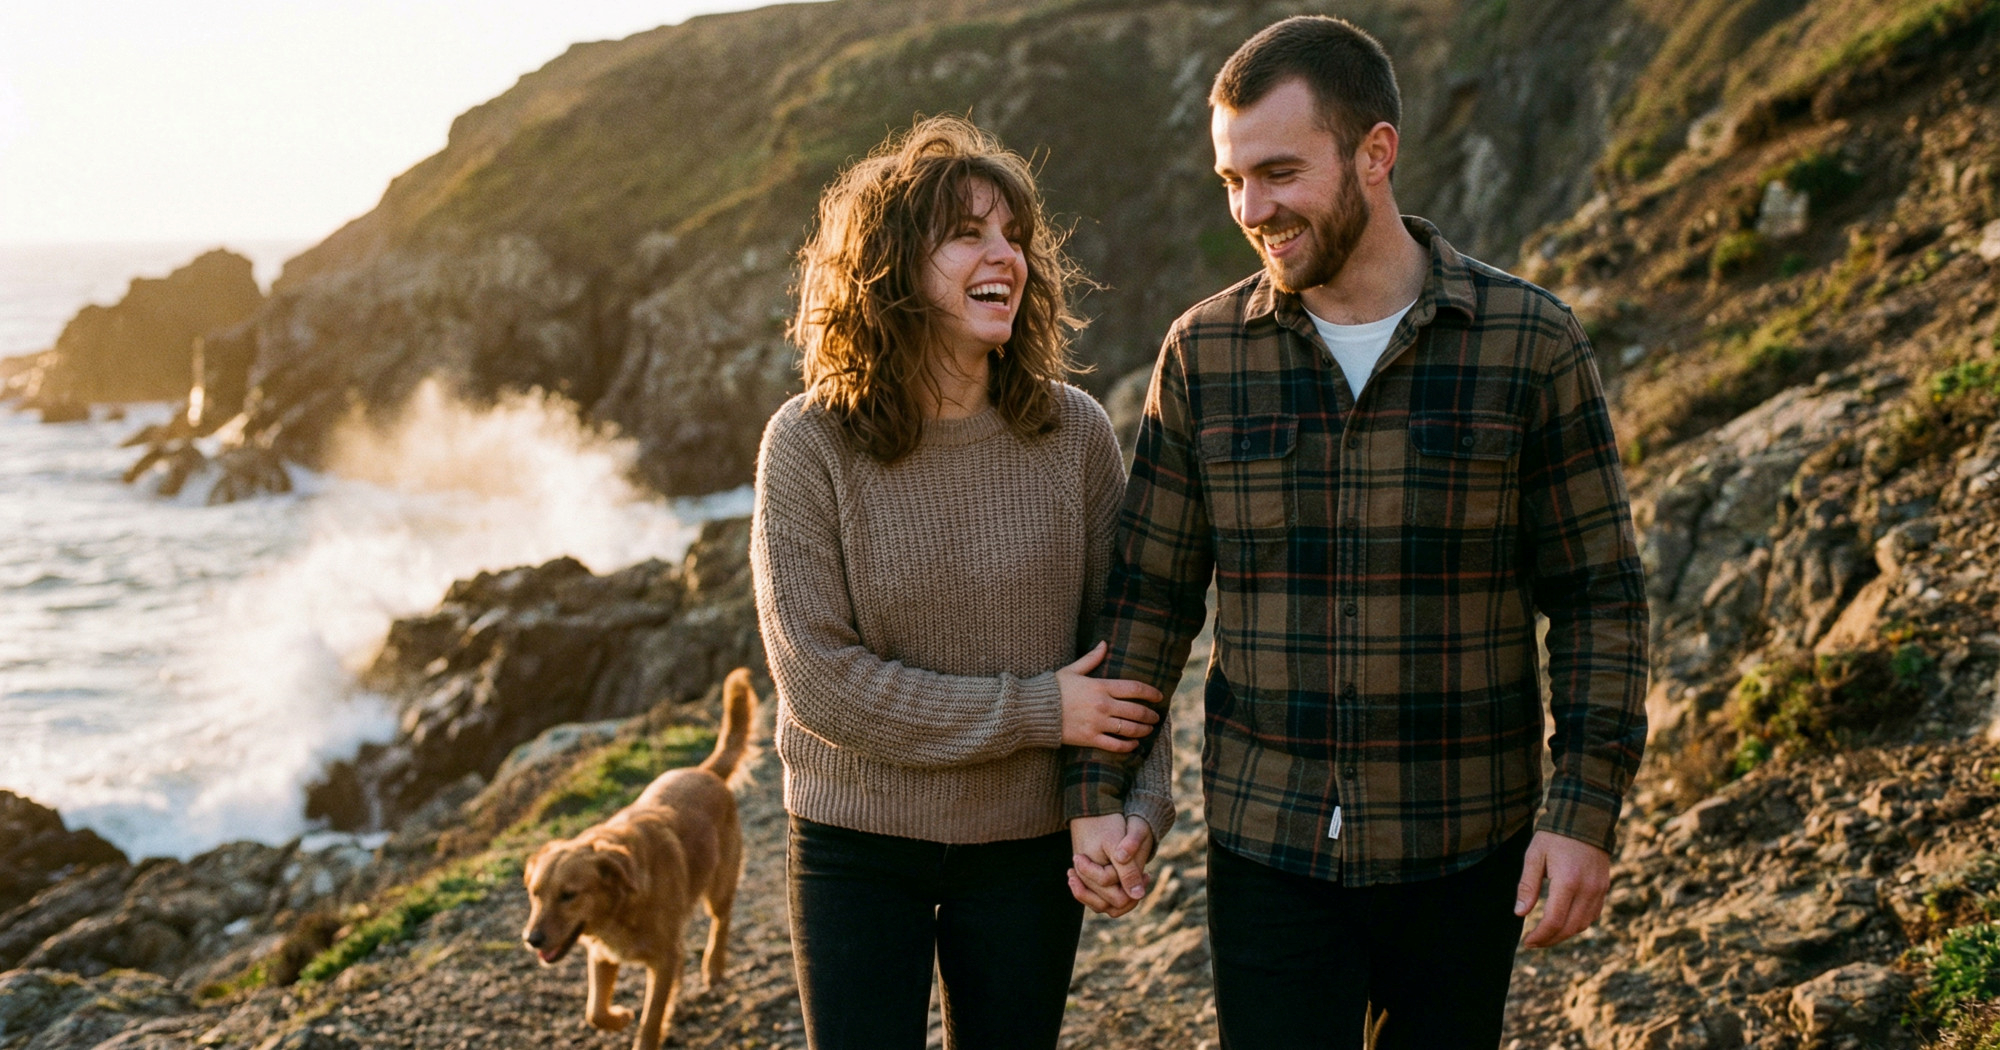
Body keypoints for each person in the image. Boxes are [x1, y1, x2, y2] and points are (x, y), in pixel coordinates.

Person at [1061, 16, 1650, 1049]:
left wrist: (1581, 812)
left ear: (1374, 153)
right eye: (1230, 179)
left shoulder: (1529, 344)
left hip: (1464, 847)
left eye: (1278, 172)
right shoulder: (1201, 355)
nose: (1251, 209)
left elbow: (1598, 596)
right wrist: (1097, 795)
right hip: (1267, 850)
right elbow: (1149, 599)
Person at [750, 115, 1175, 1050]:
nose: (1006, 256)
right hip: (855, 845)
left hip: (1024, 852)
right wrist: (1036, 712)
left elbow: (1132, 642)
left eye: (1015, 235)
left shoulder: (1072, 434)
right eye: (968, 233)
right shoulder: (809, 442)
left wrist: (1133, 811)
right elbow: (820, 681)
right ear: (892, 267)